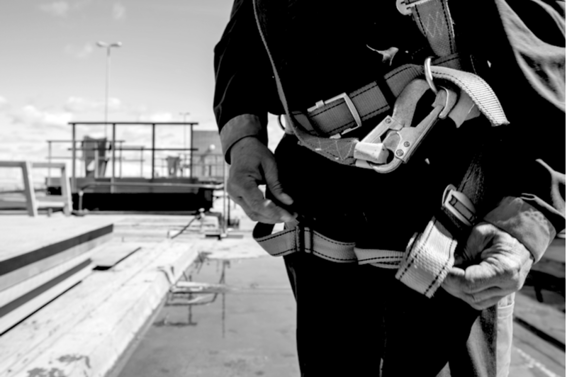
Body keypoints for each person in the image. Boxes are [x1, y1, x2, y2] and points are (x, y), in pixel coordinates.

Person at [213, 0, 565, 376]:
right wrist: (243, 136)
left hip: (444, 212)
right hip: (316, 206)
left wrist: (528, 216)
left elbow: (544, 53)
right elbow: (245, 33)